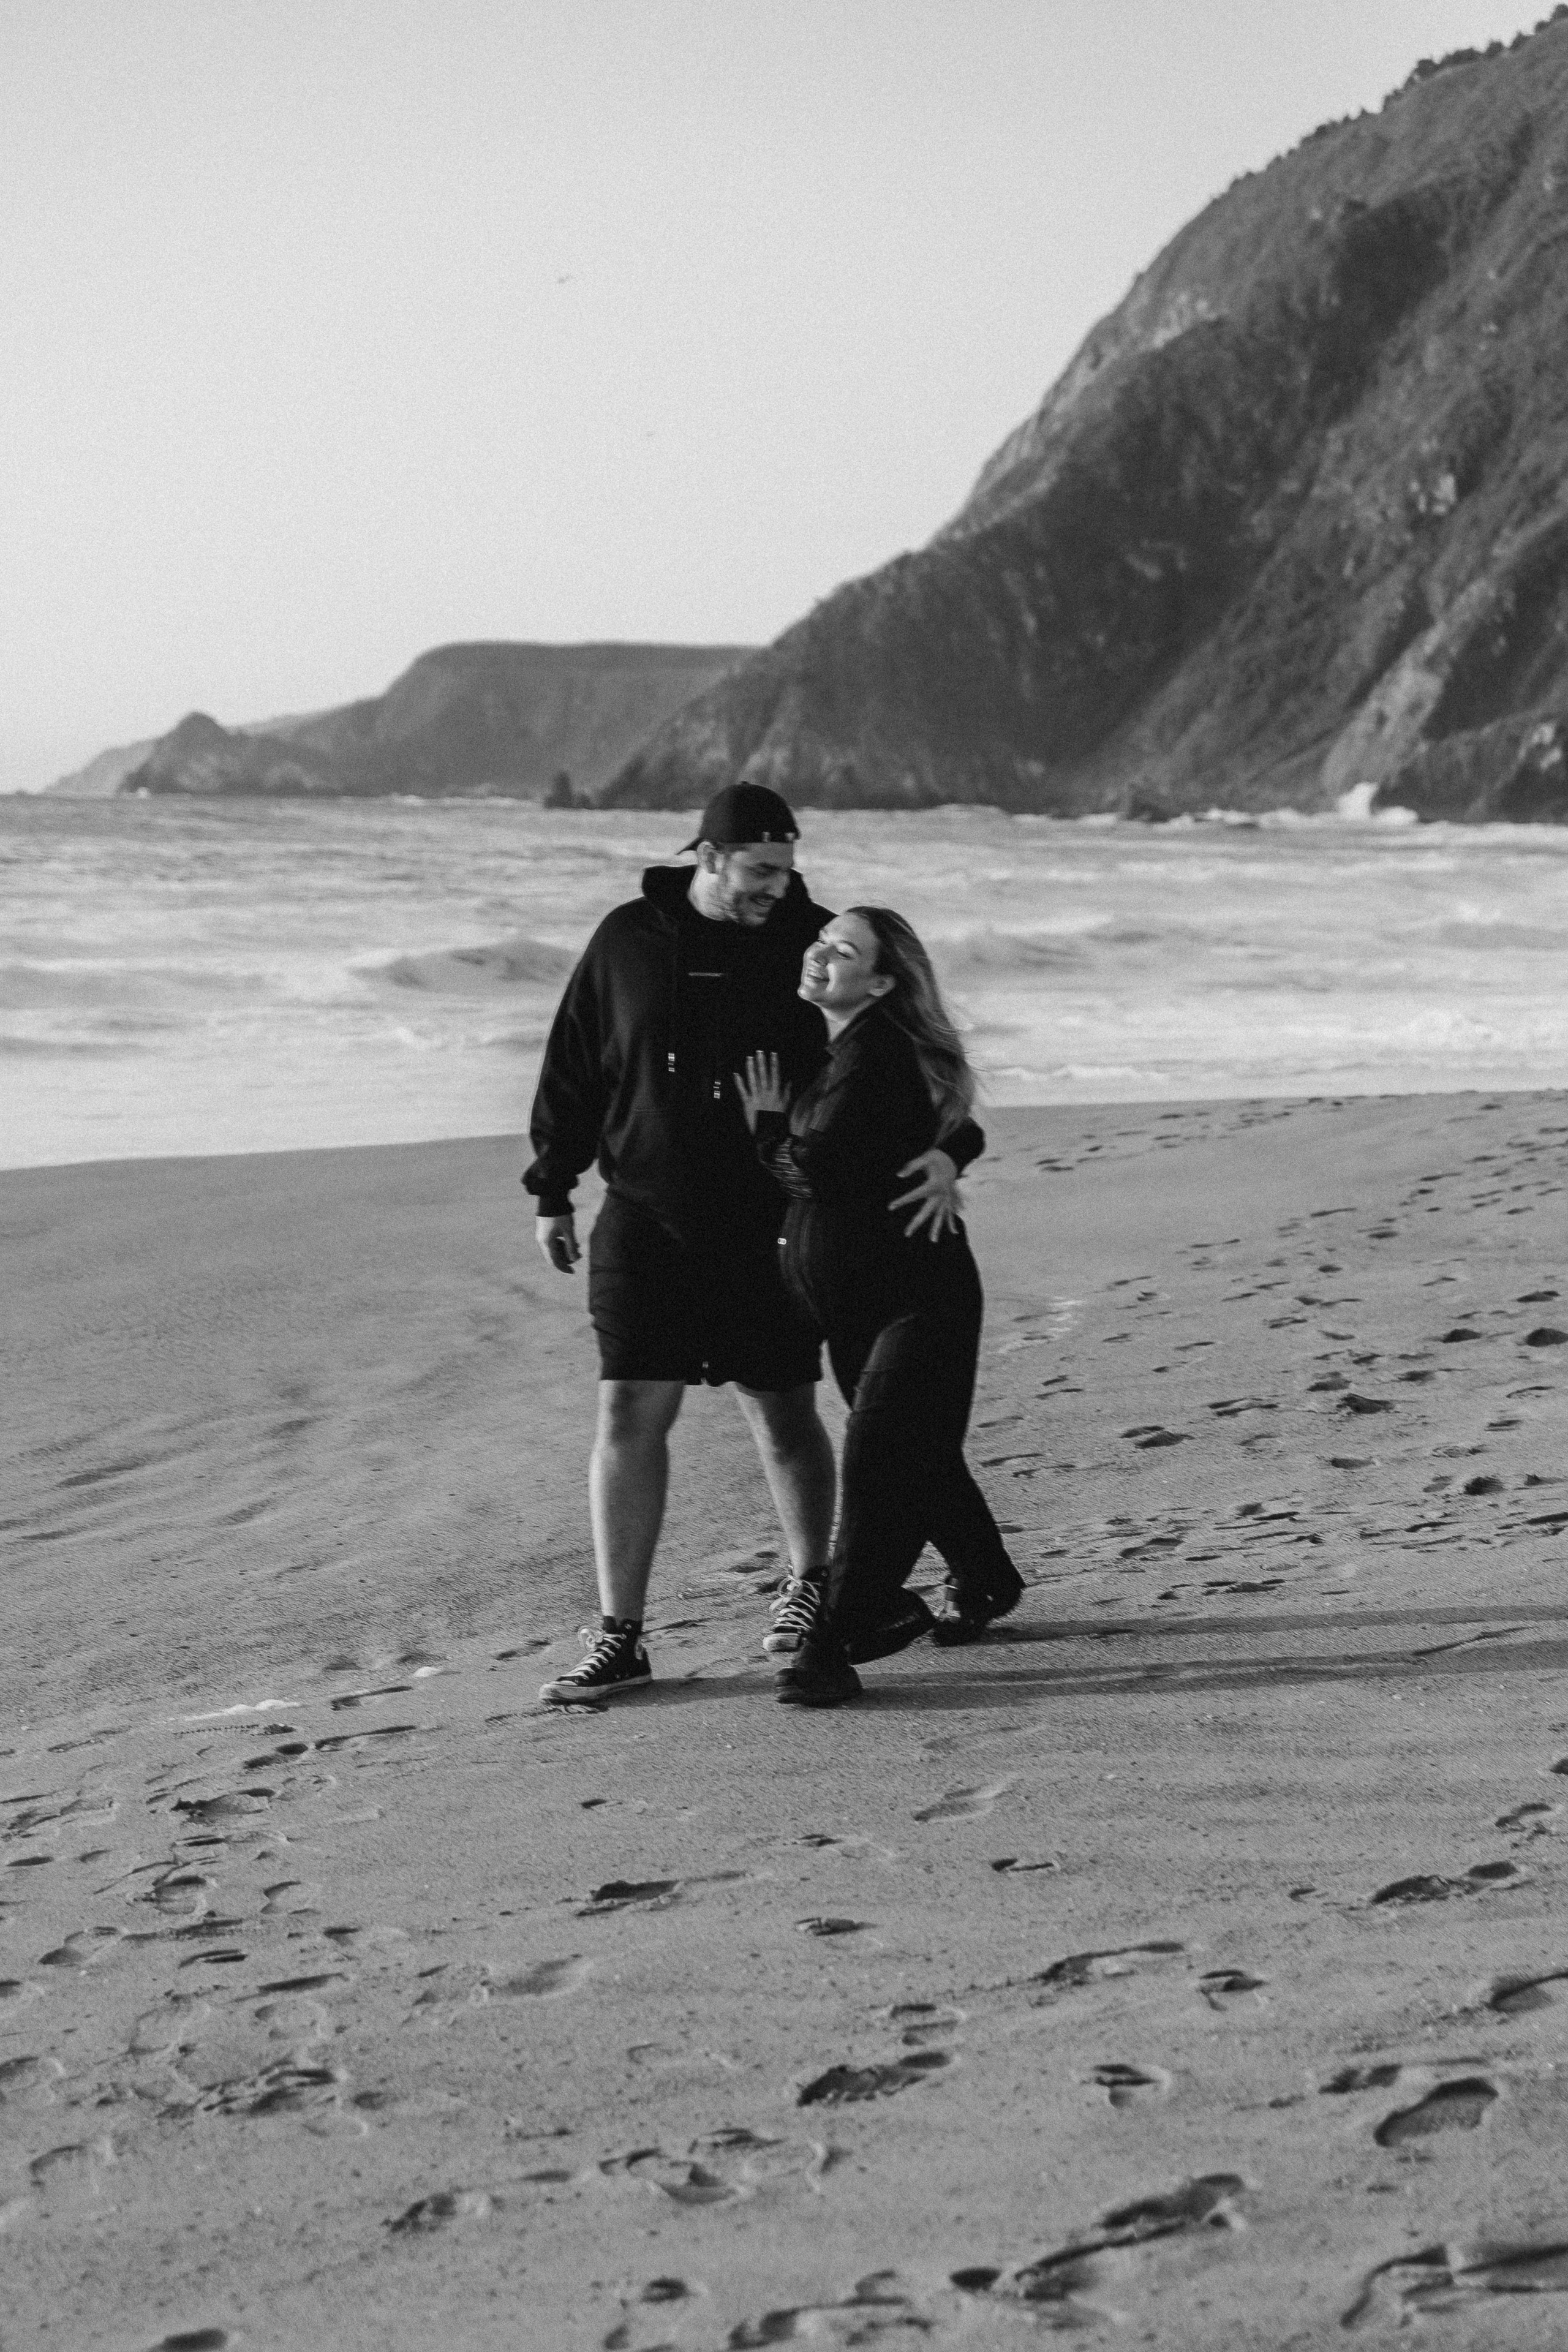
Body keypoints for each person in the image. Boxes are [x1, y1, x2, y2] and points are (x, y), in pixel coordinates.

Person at [526, 785, 965, 1706]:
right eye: (762, 870)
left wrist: (950, 1148)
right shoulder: (627, 939)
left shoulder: (809, 946)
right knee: (627, 1413)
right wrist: (552, 1187)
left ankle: (810, 1589)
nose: (781, 888)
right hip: (642, 1213)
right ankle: (621, 1634)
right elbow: (575, 1060)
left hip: (771, 1224)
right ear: (709, 857)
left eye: (788, 869)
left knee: (781, 1411)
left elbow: (909, 1052)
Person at [735, 906, 1023, 1708]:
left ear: (884, 980)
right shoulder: (844, 1051)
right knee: (916, 1453)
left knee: (878, 1467)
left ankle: (836, 1641)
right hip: (861, 1304)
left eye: (845, 951)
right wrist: (948, 1148)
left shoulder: (874, 1058)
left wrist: (764, 1132)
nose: (822, 955)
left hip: (918, 1300)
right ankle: (987, 1579)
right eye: (821, 942)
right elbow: (954, 1122)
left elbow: (821, 1166)